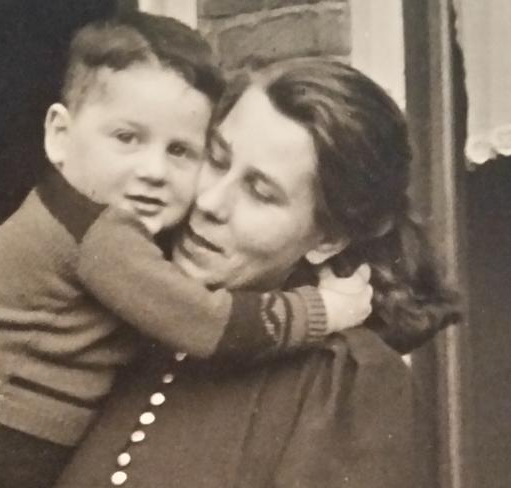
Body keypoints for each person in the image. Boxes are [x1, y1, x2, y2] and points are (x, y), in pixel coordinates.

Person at [0, 13, 372, 488]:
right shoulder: (101, 237)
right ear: (59, 136)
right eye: (127, 138)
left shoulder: (97, 221)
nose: (154, 170)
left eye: (180, 151)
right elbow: (210, 322)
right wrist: (320, 309)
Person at [53, 59, 461, 488]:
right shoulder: (116, 313)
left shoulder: (347, 382)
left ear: (329, 239)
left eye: (260, 192)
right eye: (215, 158)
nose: (211, 200)